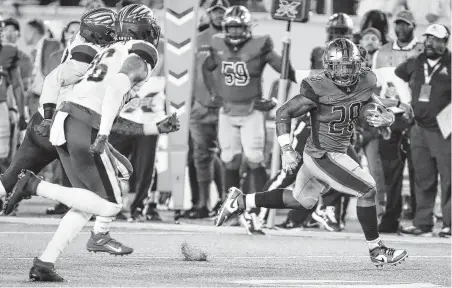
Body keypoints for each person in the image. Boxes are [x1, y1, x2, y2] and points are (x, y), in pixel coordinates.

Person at [2, 5, 178, 281]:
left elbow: (107, 103)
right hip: (81, 123)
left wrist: (153, 127)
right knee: (110, 204)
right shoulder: (142, 51)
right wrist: (104, 135)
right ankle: (37, 187)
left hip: (69, 120)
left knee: (92, 199)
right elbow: (118, 86)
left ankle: (45, 262)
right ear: (145, 29)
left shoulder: (109, 51)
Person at [215, 38, 408, 267]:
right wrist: (286, 149)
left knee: (300, 201)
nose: (345, 72)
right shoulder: (316, 87)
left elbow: (366, 101)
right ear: (328, 66)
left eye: (349, 66)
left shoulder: (367, 79)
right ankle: (376, 249)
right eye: (339, 67)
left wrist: (383, 113)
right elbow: (283, 113)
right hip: (324, 154)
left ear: (358, 65)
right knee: (367, 189)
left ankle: (241, 201)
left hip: (331, 152)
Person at [202, 5, 296, 235]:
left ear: (247, 28)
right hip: (227, 111)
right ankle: (232, 210)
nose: (234, 33)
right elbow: (207, 68)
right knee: (229, 159)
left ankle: (257, 210)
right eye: (231, 28)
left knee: (255, 159)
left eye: (238, 27)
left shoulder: (260, 45)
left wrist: (274, 99)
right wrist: (214, 93)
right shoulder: (217, 44)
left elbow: (288, 73)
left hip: (251, 110)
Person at [397, 24, 451, 238]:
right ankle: (423, 223)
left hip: (445, 131)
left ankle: (449, 224)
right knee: (423, 177)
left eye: (435, 39)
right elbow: (395, 75)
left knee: (449, 178)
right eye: (428, 38)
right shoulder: (415, 62)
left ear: (445, 42)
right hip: (419, 129)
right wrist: (405, 102)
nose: (430, 43)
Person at [372, 10, 423, 233]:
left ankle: (420, 218)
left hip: (416, 116)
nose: (400, 28)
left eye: (405, 25)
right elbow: (374, 83)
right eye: (398, 24)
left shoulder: (422, 49)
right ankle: (390, 218)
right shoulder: (381, 52)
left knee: (418, 169)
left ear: (413, 26)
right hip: (390, 115)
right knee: (391, 170)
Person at [188, 0, 230, 219]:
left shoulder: (238, 39)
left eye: (223, 10)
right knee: (202, 155)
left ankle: (226, 201)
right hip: (200, 106)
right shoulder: (198, 39)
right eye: (215, 10)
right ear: (208, 13)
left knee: (228, 156)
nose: (219, 15)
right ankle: (203, 204)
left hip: (229, 108)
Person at [0, 18, 27, 173]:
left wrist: (22, 113)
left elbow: (17, 85)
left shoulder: (9, 52)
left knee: (3, 154)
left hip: (1, 105)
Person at [23, 19, 61, 116]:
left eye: (25, 31)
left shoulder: (52, 44)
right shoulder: (33, 52)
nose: (23, 36)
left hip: (48, 99)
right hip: (35, 99)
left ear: (33, 31)